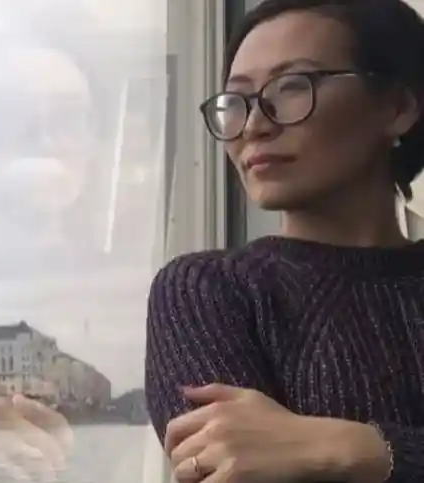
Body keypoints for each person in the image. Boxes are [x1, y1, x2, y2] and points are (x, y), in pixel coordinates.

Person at [144, 0, 424, 482]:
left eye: (292, 87)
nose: (254, 124)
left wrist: (351, 447)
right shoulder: (207, 290)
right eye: (237, 101)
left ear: (397, 107)